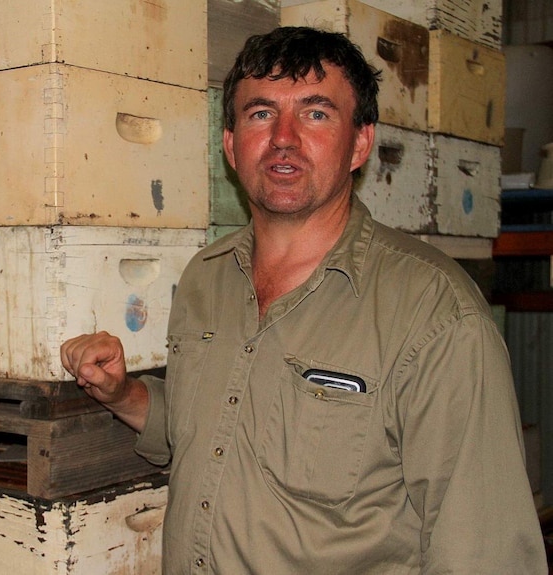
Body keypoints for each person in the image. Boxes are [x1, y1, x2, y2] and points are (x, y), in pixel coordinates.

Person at [61, 27, 548, 574]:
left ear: (360, 143)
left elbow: (488, 554)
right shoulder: (206, 278)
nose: (284, 137)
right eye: (261, 114)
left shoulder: (434, 314)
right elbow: (217, 429)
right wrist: (122, 392)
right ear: (230, 144)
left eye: (316, 113)